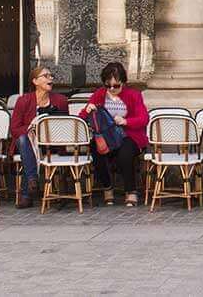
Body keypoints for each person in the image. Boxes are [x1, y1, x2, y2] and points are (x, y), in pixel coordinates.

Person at [80, 61, 149, 207]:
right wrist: (87, 110)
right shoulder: (99, 94)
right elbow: (82, 118)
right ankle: (107, 187)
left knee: (125, 153)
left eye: (116, 85)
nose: (112, 88)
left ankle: (131, 191)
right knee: (96, 151)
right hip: (106, 137)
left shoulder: (133, 95)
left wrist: (125, 121)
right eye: (108, 85)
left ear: (123, 82)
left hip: (130, 135)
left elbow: (143, 118)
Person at [9, 66, 69, 209]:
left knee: (27, 148)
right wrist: (32, 127)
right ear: (35, 81)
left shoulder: (60, 100)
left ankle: (27, 193)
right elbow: (14, 129)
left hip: (52, 143)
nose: (50, 78)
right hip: (29, 141)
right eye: (45, 76)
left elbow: (65, 126)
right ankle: (32, 179)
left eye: (51, 75)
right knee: (24, 140)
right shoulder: (23, 101)